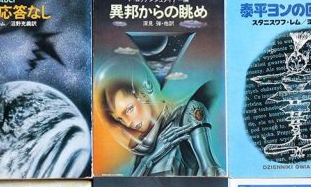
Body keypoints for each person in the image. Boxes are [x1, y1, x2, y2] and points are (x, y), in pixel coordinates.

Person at [95, 57, 224, 177]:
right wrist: (149, 159)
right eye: (120, 119)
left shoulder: (187, 115)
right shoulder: (143, 150)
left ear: (145, 90)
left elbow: (213, 172)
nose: (128, 123)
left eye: (129, 110)